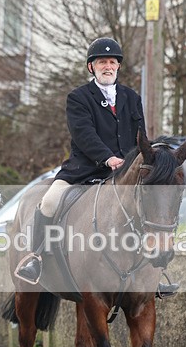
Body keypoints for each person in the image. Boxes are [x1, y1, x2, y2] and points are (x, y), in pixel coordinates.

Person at [15, 37, 177, 296]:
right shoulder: (78, 97)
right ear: (92, 67)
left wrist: (140, 161)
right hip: (84, 169)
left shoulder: (131, 98)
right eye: (102, 62)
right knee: (49, 202)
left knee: (148, 209)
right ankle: (36, 258)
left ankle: (153, 276)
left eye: (112, 62)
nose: (108, 66)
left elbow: (140, 136)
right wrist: (107, 158)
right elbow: (83, 134)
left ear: (118, 67)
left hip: (124, 172)